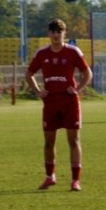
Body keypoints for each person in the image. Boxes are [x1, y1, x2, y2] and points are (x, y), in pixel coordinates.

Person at [24, 19, 92, 192]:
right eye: (53, 32)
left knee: (73, 140)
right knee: (48, 142)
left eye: (59, 32)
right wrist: (38, 92)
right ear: (48, 34)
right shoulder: (41, 54)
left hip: (69, 102)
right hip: (51, 102)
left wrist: (79, 89)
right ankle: (49, 177)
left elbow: (87, 73)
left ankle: (75, 180)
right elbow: (29, 74)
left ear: (64, 34)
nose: (56, 35)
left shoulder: (72, 52)